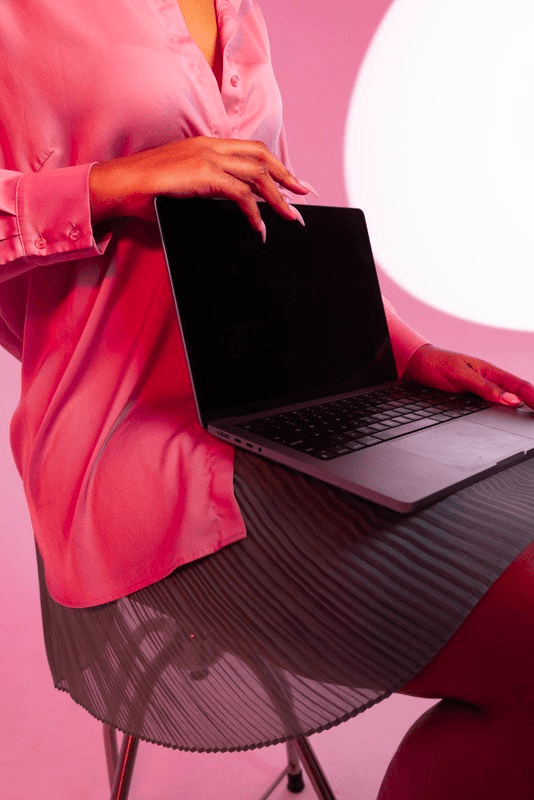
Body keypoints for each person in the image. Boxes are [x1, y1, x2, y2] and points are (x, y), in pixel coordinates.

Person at [2, 1, 534, 797]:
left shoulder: (239, 8)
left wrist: (405, 353)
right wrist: (109, 186)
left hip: (293, 407)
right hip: (133, 450)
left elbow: (276, 223)